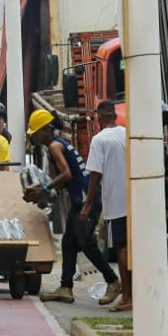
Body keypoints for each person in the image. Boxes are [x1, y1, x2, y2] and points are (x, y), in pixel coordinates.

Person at [23, 109, 121, 304]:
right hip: (81, 199)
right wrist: (44, 190)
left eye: (36, 133)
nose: (34, 137)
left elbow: (66, 174)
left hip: (86, 200)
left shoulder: (54, 146)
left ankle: (113, 281)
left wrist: (44, 188)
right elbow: (68, 179)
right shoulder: (59, 144)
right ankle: (65, 287)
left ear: (46, 130)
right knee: (68, 243)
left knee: (87, 244)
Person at [83, 100, 131, 310]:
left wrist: (87, 205)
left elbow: (95, 174)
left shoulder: (99, 140)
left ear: (99, 118)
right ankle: (135, 294)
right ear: (115, 116)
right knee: (133, 248)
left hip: (115, 204)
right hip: (134, 201)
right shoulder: (127, 134)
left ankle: (127, 297)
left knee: (121, 249)